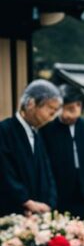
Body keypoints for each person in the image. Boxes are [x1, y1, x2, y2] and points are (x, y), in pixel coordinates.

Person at [40, 84, 84, 222]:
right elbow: (43, 162)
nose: (66, 114)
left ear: (80, 106)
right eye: (62, 109)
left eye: (71, 109)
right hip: (60, 189)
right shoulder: (47, 130)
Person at [0, 80, 59, 216]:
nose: (52, 117)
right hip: (10, 211)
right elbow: (4, 172)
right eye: (50, 109)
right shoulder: (4, 130)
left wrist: (49, 202)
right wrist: (25, 200)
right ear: (31, 103)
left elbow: (47, 174)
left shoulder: (37, 134)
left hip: (37, 212)